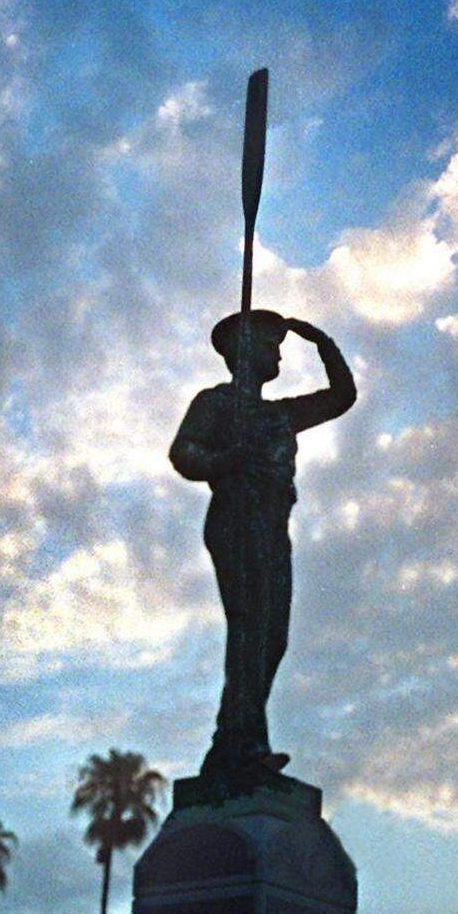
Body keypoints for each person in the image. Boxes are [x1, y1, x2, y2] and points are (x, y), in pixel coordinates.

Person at [170, 310, 356, 792]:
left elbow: (341, 397)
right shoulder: (216, 403)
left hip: (274, 522)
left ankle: (233, 739)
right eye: (270, 344)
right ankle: (241, 743)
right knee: (250, 628)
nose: (278, 351)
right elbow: (183, 453)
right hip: (238, 515)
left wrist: (322, 341)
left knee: (272, 637)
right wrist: (225, 460)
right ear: (243, 349)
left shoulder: (279, 415)